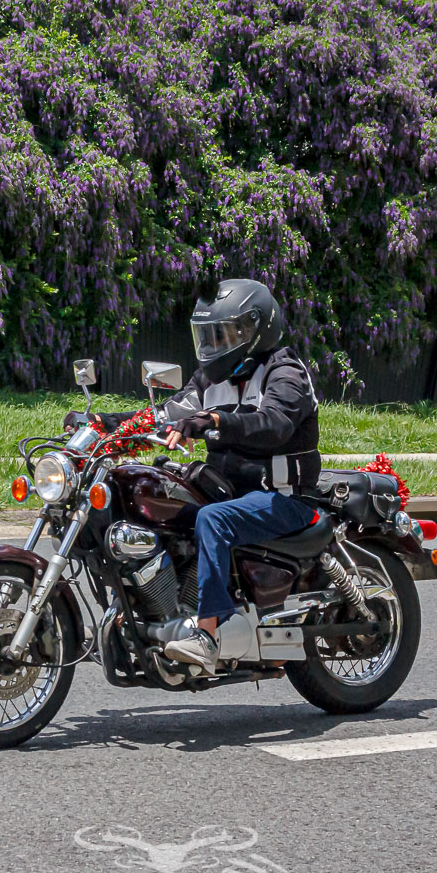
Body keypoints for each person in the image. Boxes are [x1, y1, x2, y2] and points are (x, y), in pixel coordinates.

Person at [157, 279, 321, 673]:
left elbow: (274, 424)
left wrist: (215, 421)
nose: (214, 344)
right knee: (162, 500)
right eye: (209, 336)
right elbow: (167, 413)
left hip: (284, 497)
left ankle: (206, 637)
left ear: (256, 329)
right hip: (230, 492)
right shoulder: (209, 380)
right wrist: (104, 423)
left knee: (213, 519)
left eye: (225, 334)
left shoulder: (285, 372)